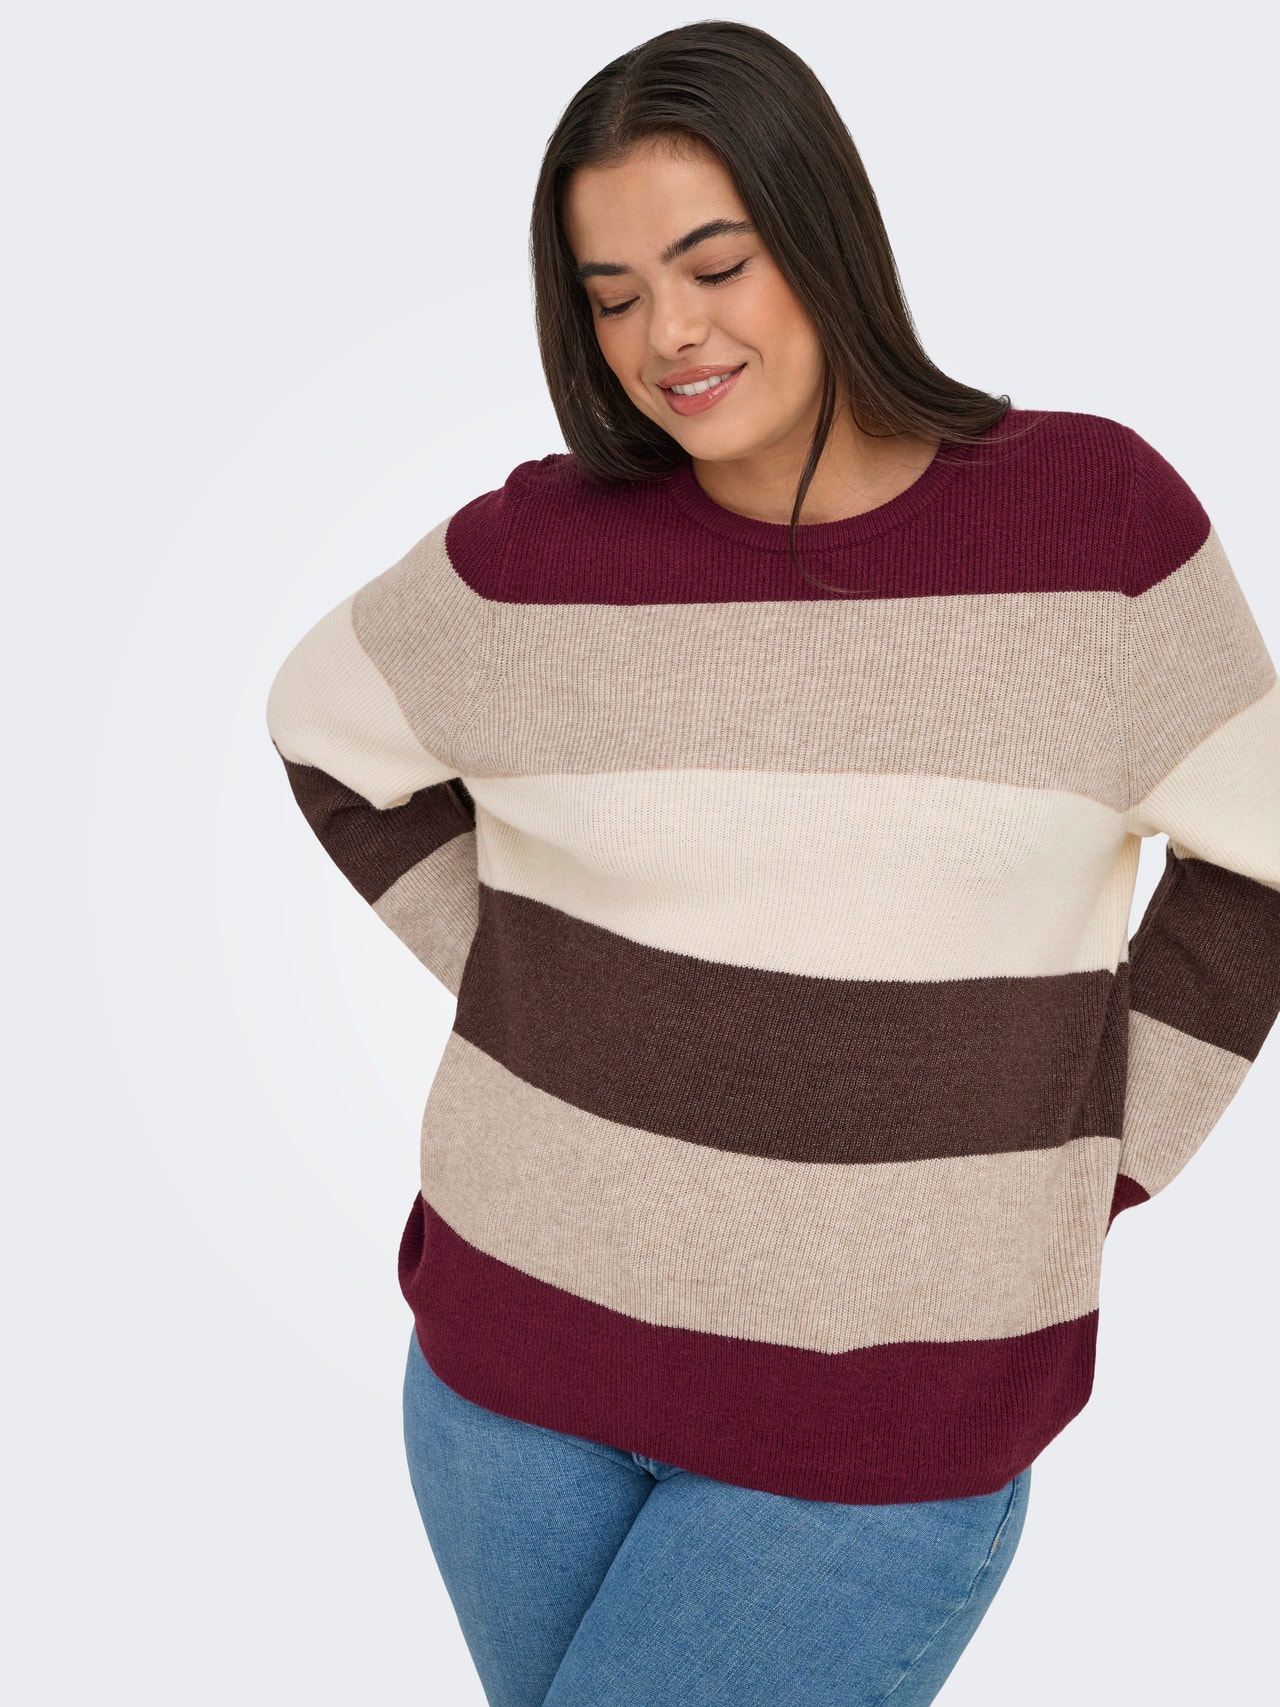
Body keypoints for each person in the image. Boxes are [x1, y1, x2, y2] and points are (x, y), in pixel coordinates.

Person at [264, 21, 1280, 1706]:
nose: (667, 334)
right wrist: (543, 991)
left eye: (713, 264)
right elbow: (324, 732)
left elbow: (1262, 860)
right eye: (610, 295)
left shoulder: (1097, 529)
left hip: (876, 1425)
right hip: (512, 1375)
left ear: (825, 235)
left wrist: (1100, 1137)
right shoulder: (532, 558)